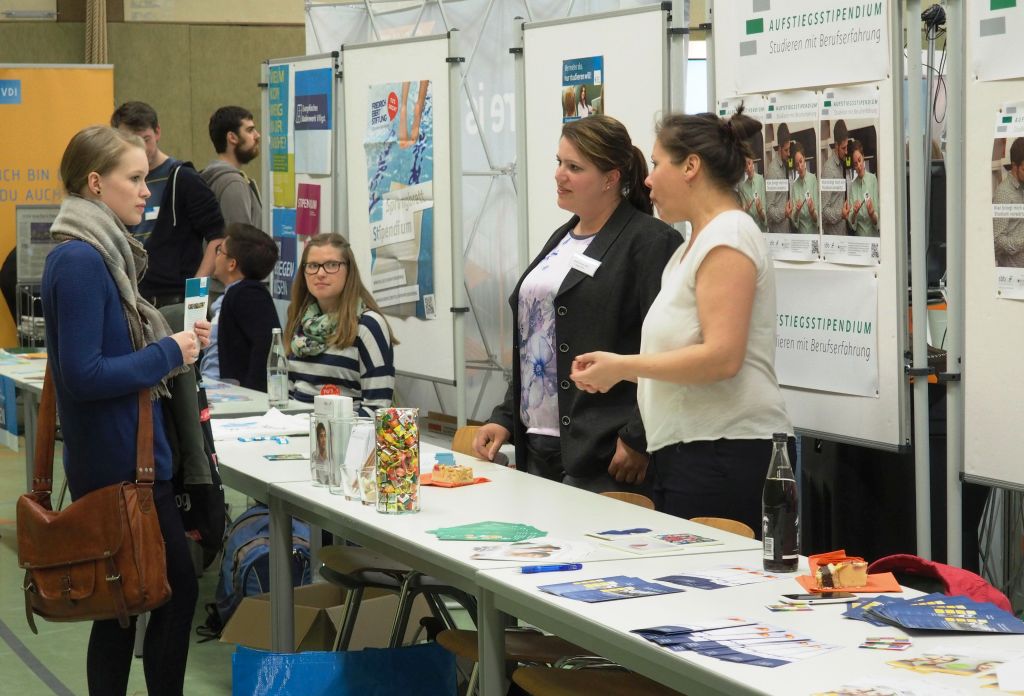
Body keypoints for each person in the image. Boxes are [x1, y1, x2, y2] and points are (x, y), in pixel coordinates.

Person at [40, 125, 211, 696]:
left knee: (127, 601)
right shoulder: (84, 261)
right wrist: (169, 351)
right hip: (120, 464)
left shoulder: (98, 254)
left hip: (125, 456)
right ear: (95, 183)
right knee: (157, 592)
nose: (147, 192)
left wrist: (180, 343)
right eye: (134, 179)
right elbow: (84, 375)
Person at [570, 108, 792, 535]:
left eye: (656, 163)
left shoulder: (730, 235)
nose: (648, 179)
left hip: (724, 453)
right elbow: (683, 362)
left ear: (691, 166)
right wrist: (615, 373)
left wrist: (623, 366)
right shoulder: (690, 246)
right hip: (687, 452)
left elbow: (721, 358)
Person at [473, 115, 682, 493]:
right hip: (536, 442)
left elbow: (665, 349)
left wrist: (638, 436)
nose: (559, 175)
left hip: (602, 450)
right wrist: (504, 416)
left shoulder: (649, 241)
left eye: (574, 167)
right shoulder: (562, 238)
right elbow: (535, 336)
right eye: (558, 162)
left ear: (610, 178)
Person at [111, 101, 224, 307]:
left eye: (146, 139)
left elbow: (217, 237)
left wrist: (195, 298)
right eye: (132, 142)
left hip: (174, 299)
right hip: (133, 298)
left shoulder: (184, 178)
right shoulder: (117, 182)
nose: (142, 148)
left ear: (158, 132)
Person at [285, 233, 395, 415]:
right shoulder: (301, 321)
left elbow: (378, 409)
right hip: (295, 433)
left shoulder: (368, 325)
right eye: (313, 266)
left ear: (349, 271)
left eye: (331, 265)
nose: (320, 273)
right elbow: (288, 394)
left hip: (343, 436)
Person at [202, 222, 280, 390]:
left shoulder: (248, 294)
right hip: (216, 389)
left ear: (232, 264)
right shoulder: (233, 295)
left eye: (220, 251)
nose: (216, 256)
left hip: (232, 394)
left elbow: (264, 345)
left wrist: (252, 394)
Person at [201, 105, 262, 228]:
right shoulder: (233, 183)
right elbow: (241, 243)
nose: (257, 135)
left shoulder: (213, 177)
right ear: (232, 138)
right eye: (250, 130)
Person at [993, 138, 1024, 267]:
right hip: (1013, 275)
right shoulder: (1004, 194)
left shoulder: (1022, 188)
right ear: (1014, 166)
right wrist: (1022, 242)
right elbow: (997, 240)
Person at [844, 140, 879, 236]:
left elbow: (877, 222)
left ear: (863, 157)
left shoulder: (873, 180)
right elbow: (851, 224)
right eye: (855, 164)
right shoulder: (853, 186)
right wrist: (854, 213)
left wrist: (872, 213)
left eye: (859, 160)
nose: (858, 166)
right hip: (859, 240)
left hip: (873, 237)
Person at [821, 119, 850, 236]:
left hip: (842, 232)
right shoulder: (829, 170)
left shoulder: (841, 166)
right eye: (843, 148)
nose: (846, 151)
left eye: (847, 147)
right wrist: (841, 214)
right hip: (833, 237)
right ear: (836, 146)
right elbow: (824, 211)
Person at [765, 122, 793, 234]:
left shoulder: (785, 166)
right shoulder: (773, 171)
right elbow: (769, 209)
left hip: (787, 229)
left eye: (789, 149)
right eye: (786, 150)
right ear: (779, 148)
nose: (789, 153)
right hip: (778, 233)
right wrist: (784, 213)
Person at [787, 141, 819, 234]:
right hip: (801, 236)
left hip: (813, 234)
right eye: (797, 164)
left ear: (804, 158)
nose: (800, 167)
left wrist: (812, 211)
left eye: (801, 161)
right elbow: (794, 220)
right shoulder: (794, 185)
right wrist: (796, 211)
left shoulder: (813, 179)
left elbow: (817, 219)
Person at [737, 156, 767, 232]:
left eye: (749, 164)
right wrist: (745, 209)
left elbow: (764, 208)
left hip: (762, 228)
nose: (749, 168)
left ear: (752, 162)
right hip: (750, 229)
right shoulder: (742, 188)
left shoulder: (760, 179)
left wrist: (760, 211)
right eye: (746, 166)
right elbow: (742, 214)